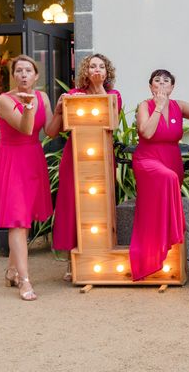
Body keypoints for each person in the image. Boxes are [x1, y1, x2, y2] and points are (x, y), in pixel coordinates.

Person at [0, 56, 57, 300]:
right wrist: (28, 107)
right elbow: (26, 129)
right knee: (17, 219)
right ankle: (24, 281)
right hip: (11, 161)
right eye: (19, 71)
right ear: (13, 75)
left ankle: (11, 271)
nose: (24, 74)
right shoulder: (4, 100)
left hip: (33, 159)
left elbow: (49, 130)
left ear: (36, 76)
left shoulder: (43, 97)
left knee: (25, 218)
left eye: (28, 70)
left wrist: (60, 110)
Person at [129, 69, 189, 280]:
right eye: (157, 80)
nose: (162, 84)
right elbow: (146, 132)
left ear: (172, 87)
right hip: (148, 160)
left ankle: (168, 255)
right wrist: (159, 107)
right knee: (165, 182)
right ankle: (147, 257)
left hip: (171, 159)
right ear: (151, 86)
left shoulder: (179, 106)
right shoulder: (144, 106)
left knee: (167, 187)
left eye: (166, 81)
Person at [49, 54, 122, 281]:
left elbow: (113, 122)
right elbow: (52, 132)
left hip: (101, 157)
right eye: (92, 66)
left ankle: (97, 257)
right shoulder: (73, 96)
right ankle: (74, 261)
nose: (97, 69)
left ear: (107, 71)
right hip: (75, 156)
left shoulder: (113, 95)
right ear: (85, 70)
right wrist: (60, 110)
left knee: (98, 206)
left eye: (101, 66)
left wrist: (99, 88)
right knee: (74, 206)